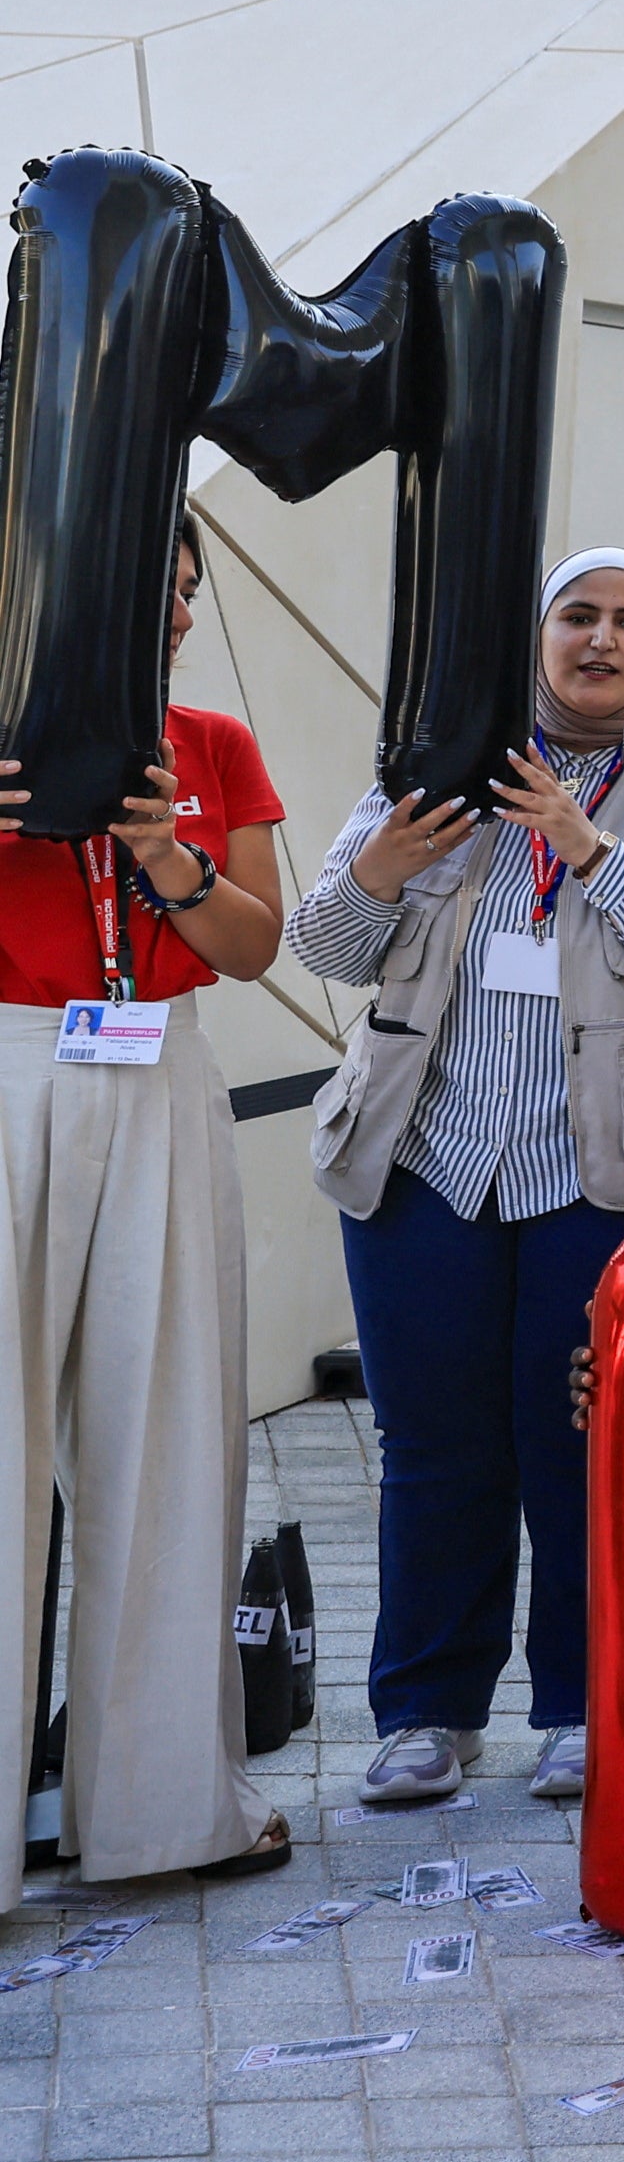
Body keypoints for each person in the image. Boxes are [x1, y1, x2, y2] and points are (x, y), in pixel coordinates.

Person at [292, 543, 624, 1813]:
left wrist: (591, 847)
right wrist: (380, 870)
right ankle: (426, 1714)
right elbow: (326, 948)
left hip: (610, 1171)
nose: (601, 641)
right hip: (431, 1159)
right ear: (541, 633)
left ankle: (582, 1705)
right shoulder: (444, 757)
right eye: (579, 615)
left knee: (590, 1445)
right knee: (433, 1447)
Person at [0, 512, 290, 1880]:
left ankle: (162, 1810)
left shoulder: (213, 745)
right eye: (149, 585)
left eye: (185, 590)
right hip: (9, 1060)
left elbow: (255, 944)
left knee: (166, 1430)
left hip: (159, 1064)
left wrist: (172, 859)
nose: (173, 611)